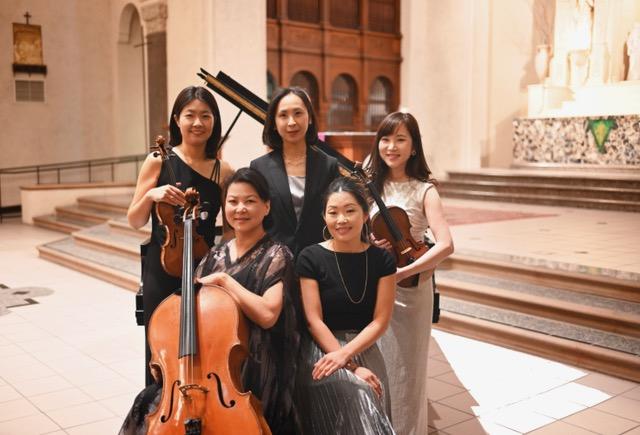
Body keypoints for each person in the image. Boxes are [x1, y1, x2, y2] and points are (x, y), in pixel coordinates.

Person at [119, 168, 301, 435]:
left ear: (266, 206)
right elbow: (192, 314)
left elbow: (267, 315)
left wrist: (227, 282)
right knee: (145, 401)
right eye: (233, 201)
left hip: (257, 366)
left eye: (250, 201)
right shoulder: (215, 255)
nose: (240, 209)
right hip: (212, 368)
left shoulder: (277, 254)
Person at [126, 86, 233, 386]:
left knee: (204, 347)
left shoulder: (222, 171)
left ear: (214, 122)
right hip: (161, 271)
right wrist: (152, 195)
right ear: (176, 120)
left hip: (203, 271)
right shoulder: (158, 161)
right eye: (190, 115)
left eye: (205, 116)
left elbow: (230, 230)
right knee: (160, 352)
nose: (197, 123)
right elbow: (134, 220)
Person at [365, 111, 454, 435]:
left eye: (401, 139)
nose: (392, 146)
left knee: (408, 372)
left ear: (413, 146)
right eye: (386, 139)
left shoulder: (425, 190)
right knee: (378, 368)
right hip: (376, 289)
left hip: (412, 291)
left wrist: (407, 272)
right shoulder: (369, 185)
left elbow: (445, 245)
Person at [294, 177, 397, 435]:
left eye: (350, 211)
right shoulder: (310, 257)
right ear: (324, 217)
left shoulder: (382, 259)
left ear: (364, 215)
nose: (342, 220)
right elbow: (313, 320)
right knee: (359, 391)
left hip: (365, 345)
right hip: (322, 349)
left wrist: (348, 355)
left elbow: (380, 321)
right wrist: (347, 363)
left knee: (373, 389)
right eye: (333, 212)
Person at [250, 86, 339, 257]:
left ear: (310, 118)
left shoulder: (329, 165)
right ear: (274, 123)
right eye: (283, 115)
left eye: (298, 113)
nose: (291, 122)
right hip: (272, 261)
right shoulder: (259, 167)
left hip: (319, 260)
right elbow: (256, 220)